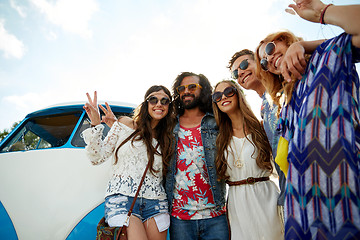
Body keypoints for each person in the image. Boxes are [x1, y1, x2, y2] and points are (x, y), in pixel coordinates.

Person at [255, 1, 360, 239]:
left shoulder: (329, 54)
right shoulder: (286, 103)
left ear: (285, 40)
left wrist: (321, 14)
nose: (269, 60)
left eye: (270, 49)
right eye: (264, 62)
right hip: (302, 207)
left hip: (347, 194)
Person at [82, 86, 175, 240]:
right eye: (154, 99)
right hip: (122, 201)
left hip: (157, 203)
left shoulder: (167, 139)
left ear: (168, 107)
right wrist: (95, 124)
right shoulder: (125, 124)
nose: (159, 104)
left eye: (164, 101)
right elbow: (97, 157)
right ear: (146, 104)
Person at [212, 79, 283, 239]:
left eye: (228, 91)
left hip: (266, 196)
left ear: (239, 94)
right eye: (217, 95)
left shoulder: (262, 127)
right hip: (237, 200)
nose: (223, 97)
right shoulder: (218, 137)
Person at [164, 72, 229, 240]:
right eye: (182, 88)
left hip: (215, 215)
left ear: (204, 90)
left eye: (192, 87)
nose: (186, 91)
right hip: (180, 217)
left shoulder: (216, 121)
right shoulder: (170, 124)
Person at [228, 49, 286, 210]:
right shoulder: (264, 108)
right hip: (288, 192)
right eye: (235, 73)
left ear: (260, 62)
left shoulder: (286, 88)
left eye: (244, 64)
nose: (240, 72)